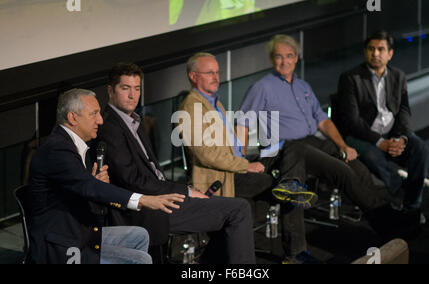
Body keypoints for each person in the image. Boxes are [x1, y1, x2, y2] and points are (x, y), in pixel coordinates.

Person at [98, 62, 256, 264]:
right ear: (110, 90)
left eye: (137, 89)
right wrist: (186, 192)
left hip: (165, 197)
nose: (132, 95)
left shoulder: (134, 121)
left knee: (229, 214)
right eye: (125, 88)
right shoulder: (110, 127)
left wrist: (184, 190)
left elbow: (152, 172)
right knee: (238, 210)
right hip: (151, 209)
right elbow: (133, 180)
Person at [178, 52, 320, 264]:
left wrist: (248, 159)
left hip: (238, 164)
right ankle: (295, 253)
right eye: (209, 73)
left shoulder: (213, 102)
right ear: (193, 76)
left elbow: (229, 145)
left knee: (292, 149)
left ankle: (291, 185)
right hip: (224, 177)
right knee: (279, 188)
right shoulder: (191, 107)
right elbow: (208, 155)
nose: (216, 77)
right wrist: (246, 165)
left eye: (217, 72)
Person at [239, 34, 394, 218]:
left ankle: (383, 212)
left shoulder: (302, 86)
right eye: (279, 56)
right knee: (342, 172)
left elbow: (323, 120)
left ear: (296, 58)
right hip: (286, 149)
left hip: (313, 141)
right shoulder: (262, 87)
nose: (284, 61)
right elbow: (242, 123)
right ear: (272, 59)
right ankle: (386, 219)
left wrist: (342, 145)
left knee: (357, 166)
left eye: (289, 56)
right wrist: (240, 161)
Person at [28, 88, 186, 264]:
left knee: (139, 235)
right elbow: (88, 187)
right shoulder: (58, 150)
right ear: (73, 118)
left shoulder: (71, 145)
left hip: (80, 232)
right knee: (140, 260)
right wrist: (143, 199)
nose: (101, 120)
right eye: (94, 114)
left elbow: (83, 189)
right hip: (62, 245)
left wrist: (94, 184)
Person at [336, 30, 429, 212]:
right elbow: (352, 121)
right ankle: (404, 186)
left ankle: (411, 207)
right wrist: (380, 142)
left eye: (381, 49)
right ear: (365, 51)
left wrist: (401, 138)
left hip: (391, 133)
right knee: (373, 155)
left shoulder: (398, 76)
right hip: (361, 136)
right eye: (371, 49)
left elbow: (404, 111)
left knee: (421, 150)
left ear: (390, 54)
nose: (375, 54)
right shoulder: (351, 78)